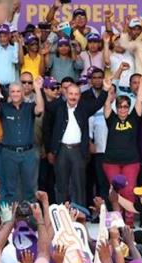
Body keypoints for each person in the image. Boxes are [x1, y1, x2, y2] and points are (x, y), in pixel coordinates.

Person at [46, 76, 107, 206]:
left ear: (80, 96)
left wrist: (106, 89)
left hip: (79, 150)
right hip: (61, 150)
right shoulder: (58, 107)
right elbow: (44, 106)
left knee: (79, 184)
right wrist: (38, 88)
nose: (73, 97)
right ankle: (62, 214)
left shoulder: (84, 108)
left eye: (76, 94)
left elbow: (98, 103)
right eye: (71, 94)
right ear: (65, 94)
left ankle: (79, 214)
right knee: (61, 184)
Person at [0, 77, 44, 203]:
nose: (15, 94)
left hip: (28, 153)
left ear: (23, 93)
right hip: (9, 153)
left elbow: (40, 109)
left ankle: (31, 218)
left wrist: (38, 89)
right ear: (9, 93)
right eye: (13, 91)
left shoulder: (30, 107)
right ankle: (11, 219)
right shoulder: (4, 107)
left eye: (18, 91)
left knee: (30, 188)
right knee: (10, 188)